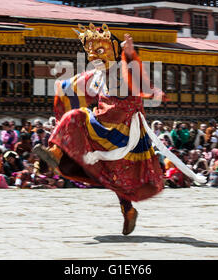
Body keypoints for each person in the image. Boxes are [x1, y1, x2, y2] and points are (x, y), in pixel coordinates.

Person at [33, 23, 168, 235]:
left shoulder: (123, 72)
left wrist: (130, 53)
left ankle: (53, 154)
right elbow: (73, 85)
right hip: (101, 128)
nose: (94, 57)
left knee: (75, 117)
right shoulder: (97, 76)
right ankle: (128, 211)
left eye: (100, 51)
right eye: (90, 53)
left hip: (122, 131)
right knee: (114, 175)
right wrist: (60, 87)